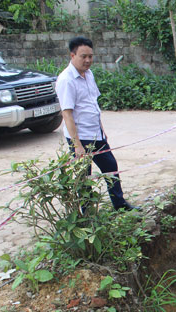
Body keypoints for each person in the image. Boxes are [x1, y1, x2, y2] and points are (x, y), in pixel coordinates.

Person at [55, 36, 137, 211]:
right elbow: (67, 114)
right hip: (80, 137)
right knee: (84, 177)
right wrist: (77, 145)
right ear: (72, 55)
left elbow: (93, 105)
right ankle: (88, 214)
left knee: (110, 167)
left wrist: (102, 130)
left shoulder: (89, 75)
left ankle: (120, 205)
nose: (87, 60)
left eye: (90, 56)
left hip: (96, 134)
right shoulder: (66, 80)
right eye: (83, 56)